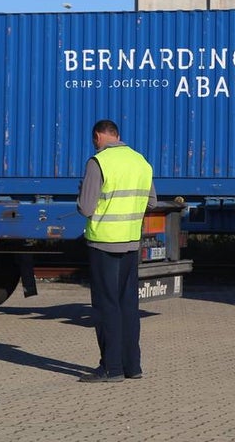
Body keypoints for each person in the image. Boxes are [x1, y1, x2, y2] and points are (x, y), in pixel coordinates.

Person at [77, 119, 158, 383]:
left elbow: (87, 208)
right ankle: (132, 366)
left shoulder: (97, 162)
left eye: (95, 140)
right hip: (131, 243)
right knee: (128, 305)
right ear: (118, 135)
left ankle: (110, 368)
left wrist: (82, 198)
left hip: (104, 242)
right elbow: (152, 202)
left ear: (99, 136)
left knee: (105, 306)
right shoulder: (140, 161)